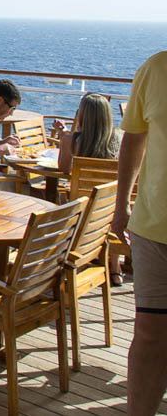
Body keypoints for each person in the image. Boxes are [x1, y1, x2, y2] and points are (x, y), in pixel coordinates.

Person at [112, 51, 167, 416]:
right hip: (153, 226)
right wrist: (121, 207)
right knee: (148, 335)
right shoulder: (156, 68)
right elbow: (133, 139)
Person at [55, 93, 124, 283]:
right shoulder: (120, 138)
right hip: (110, 209)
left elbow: (63, 169)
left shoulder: (73, 140)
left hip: (81, 208)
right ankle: (115, 266)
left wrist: (64, 137)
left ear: (82, 115)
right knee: (106, 205)